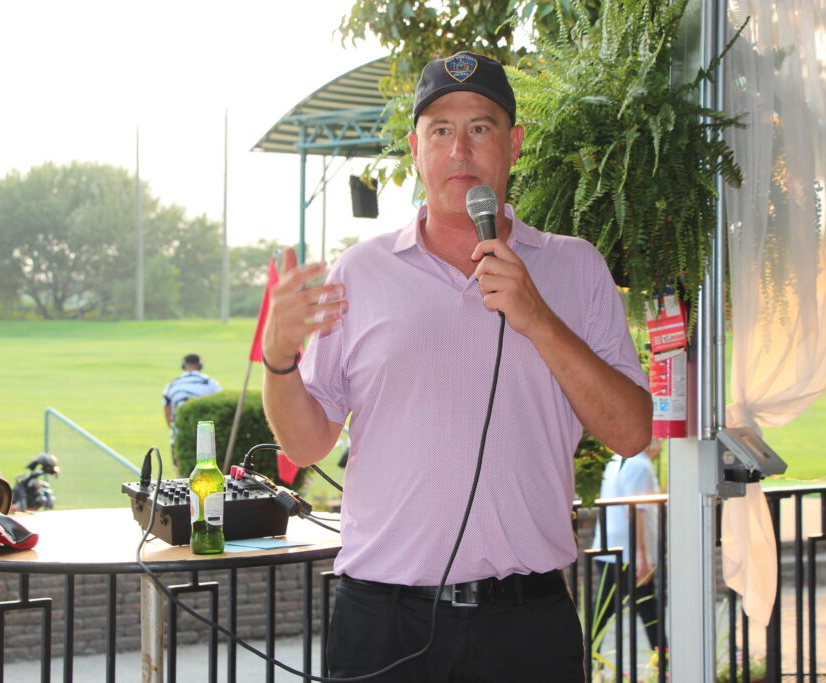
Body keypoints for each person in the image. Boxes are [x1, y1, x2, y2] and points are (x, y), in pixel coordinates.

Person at [261, 51, 652, 682]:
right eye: (440, 130)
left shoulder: (574, 268)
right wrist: (279, 359)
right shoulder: (360, 273)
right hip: (384, 621)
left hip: (529, 624)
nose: (459, 150)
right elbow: (306, 444)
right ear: (415, 149)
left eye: (480, 127)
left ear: (514, 144)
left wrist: (539, 320)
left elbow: (632, 433)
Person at [590, 438, 665, 653]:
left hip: (610, 546)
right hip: (628, 551)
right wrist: (642, 554)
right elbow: (635, 510)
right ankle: (663, 660)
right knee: (647, 606)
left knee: (604, 609)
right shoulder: (640, 465)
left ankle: (588, 659)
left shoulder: (616, 460)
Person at [161, 354, 221, 462]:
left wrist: (173, 428)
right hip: (206, 437)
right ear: (200, 365)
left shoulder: (172, 384)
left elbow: (167, 411)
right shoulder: (210, 383)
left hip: (178, 435)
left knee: (179, 472)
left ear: (183, 365)